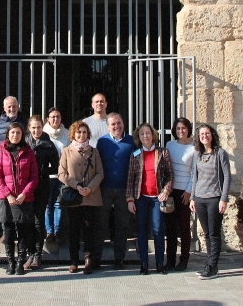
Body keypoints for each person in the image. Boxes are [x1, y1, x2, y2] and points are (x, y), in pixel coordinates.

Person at [126, 123, 174, 275]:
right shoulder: (135, 154)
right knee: (141, 231)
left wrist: (166, 191)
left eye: (148, 133)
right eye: (142, 134)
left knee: (158, 230)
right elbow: (130, 178)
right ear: (138, 137)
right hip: (141, 198)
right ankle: (144, 263)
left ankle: (160, 263)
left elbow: (170, 174)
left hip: (157, 198)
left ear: (153, 135)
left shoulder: (162, 152)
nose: (145, 136)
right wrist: (130, 199)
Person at [58, 121, 104, 275]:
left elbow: (100, 173)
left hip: (90, 196)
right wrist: (76, 185)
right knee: (74, 230)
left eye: (84, 132)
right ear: (73, 134)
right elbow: (62, 173)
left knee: (89, 230)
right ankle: (73, 261)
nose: (81, 135)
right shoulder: (66, 151)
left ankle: (88, 260)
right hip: (74, 196)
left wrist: (90, 187)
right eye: (78, 132)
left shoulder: (94, 151)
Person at [0, 122, 39, 275]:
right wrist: (8, 194)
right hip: (7, 199)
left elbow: (34, 177)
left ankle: (20, 261)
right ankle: (10, 262)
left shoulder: (28, 152)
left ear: (22, 135)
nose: (15, 135)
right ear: (8, 134)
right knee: (9, 231)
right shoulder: (1, 151)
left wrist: (24, 193)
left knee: (24, 232)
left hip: (23, 199)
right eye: (12, 133)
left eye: (18, 133)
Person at [189, 124, 232, 280]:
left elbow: (227, 177)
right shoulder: (197, 155)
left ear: (212, 135)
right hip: (200, 198)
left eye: (207, 133)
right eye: (201, 134)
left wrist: (224, 199)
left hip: (214, 198)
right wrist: (193, 197)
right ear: (198, 138)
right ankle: (210, 264)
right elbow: (195, 177)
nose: (204, 136)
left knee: (214, 234)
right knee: (207, 234)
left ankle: (212, 267)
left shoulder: (220, 154)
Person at [92, 112, 133, 269]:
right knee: (101, 225)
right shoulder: (102, 142)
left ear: (123, 123)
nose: (117, 126)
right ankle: (96, 259)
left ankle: (119, 259)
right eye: (113, 124)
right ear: (108, 126)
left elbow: (138, 163)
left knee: (122, 225)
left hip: (124, 190)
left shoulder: (131, 142)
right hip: (105, 189)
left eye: (119, 123)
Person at [0, 96, 28, 239]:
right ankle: (5, 233)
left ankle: (19, 232)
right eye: (9, 107)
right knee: (4, 202)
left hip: (21, 167)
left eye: (14, 106)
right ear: (4, 108)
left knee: (20, 201)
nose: (12, 109)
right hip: (3, 169)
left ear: (18, 107)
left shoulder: (25, 123)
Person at [25, 115, 58, 269]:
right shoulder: (23, 142)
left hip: (42, 185)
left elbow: (57, 166)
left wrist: (43, 170)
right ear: (29, 128)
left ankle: (37, 254)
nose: (36, 130)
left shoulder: (48, 144)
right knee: (26, 221)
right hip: (25, 187)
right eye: (33, 128)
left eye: (38, 127)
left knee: (38, 221)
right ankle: (28, 253)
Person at [164, 117, 195, 271]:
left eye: (183, 128)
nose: (181, 131)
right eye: (178, 129)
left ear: (188, 129)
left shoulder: (194, 148)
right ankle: (169, 260)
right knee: (170, 228)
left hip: (184, 192)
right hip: (170, 190)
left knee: (184, 228)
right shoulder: (170, 145)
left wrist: (189, 191)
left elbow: (195, 172)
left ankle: (183, 260)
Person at [42, 107, 69, 243]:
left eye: (58, 116)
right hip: (48, 175)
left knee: (59, 204)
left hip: (63, 174)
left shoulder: (67, 134)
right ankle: (49, 231)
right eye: (52, 116)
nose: (55, 119)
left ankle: (57, 232)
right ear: (48, 118)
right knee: (48, 204)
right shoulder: (43, 133)